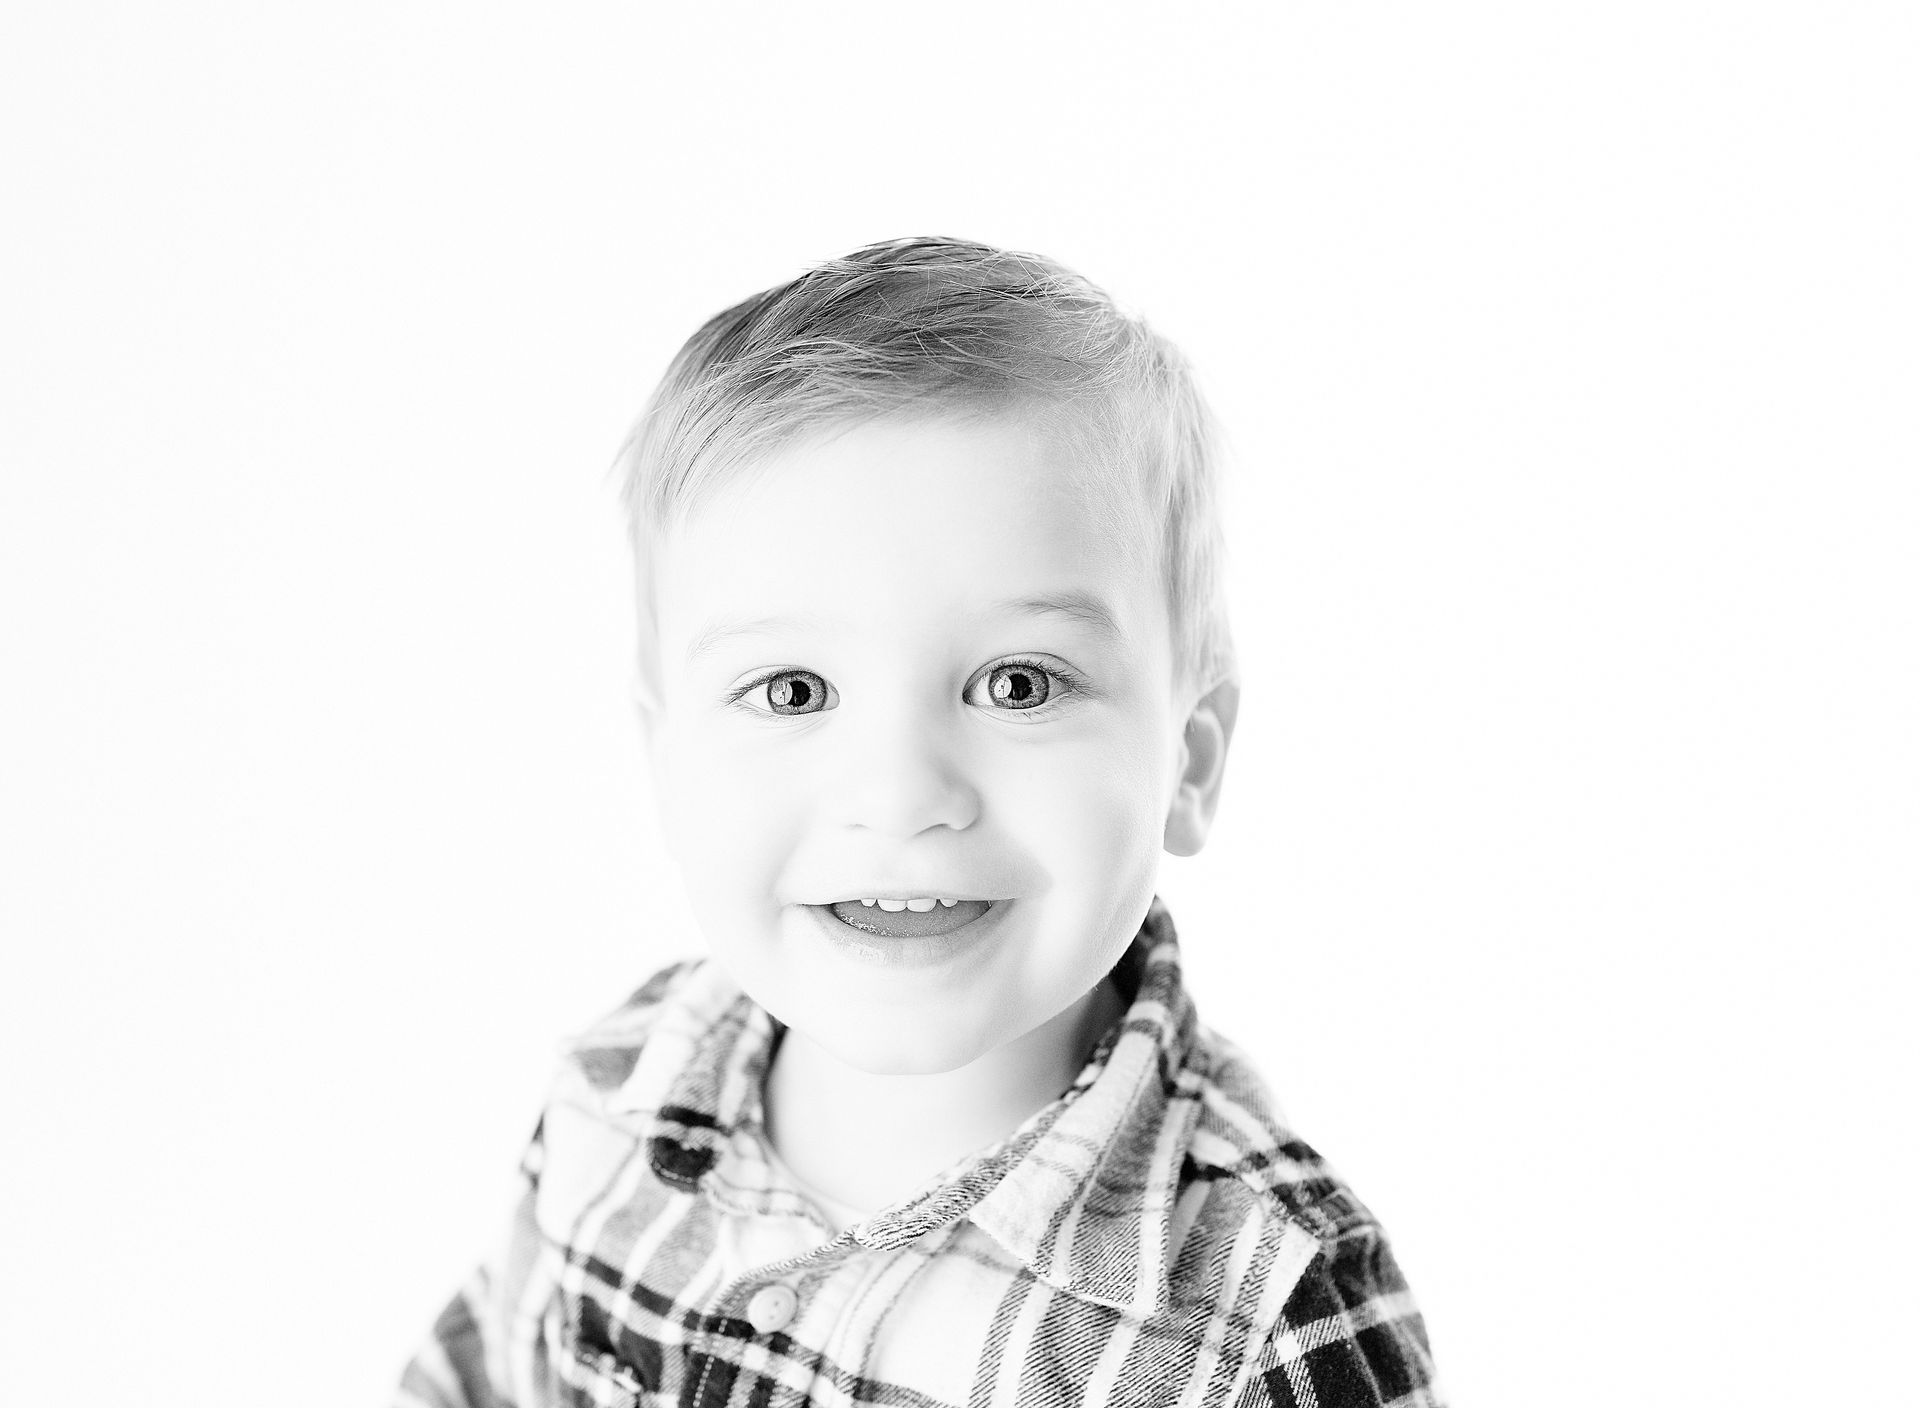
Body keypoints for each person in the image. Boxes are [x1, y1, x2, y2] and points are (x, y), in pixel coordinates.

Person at [396, 238, 1442, 1407]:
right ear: (665, 760)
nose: (899, 793)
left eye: (1018, 683)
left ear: (1190, 759)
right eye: (793, 690)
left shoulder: (1270, 1319)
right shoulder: (613, 1097)